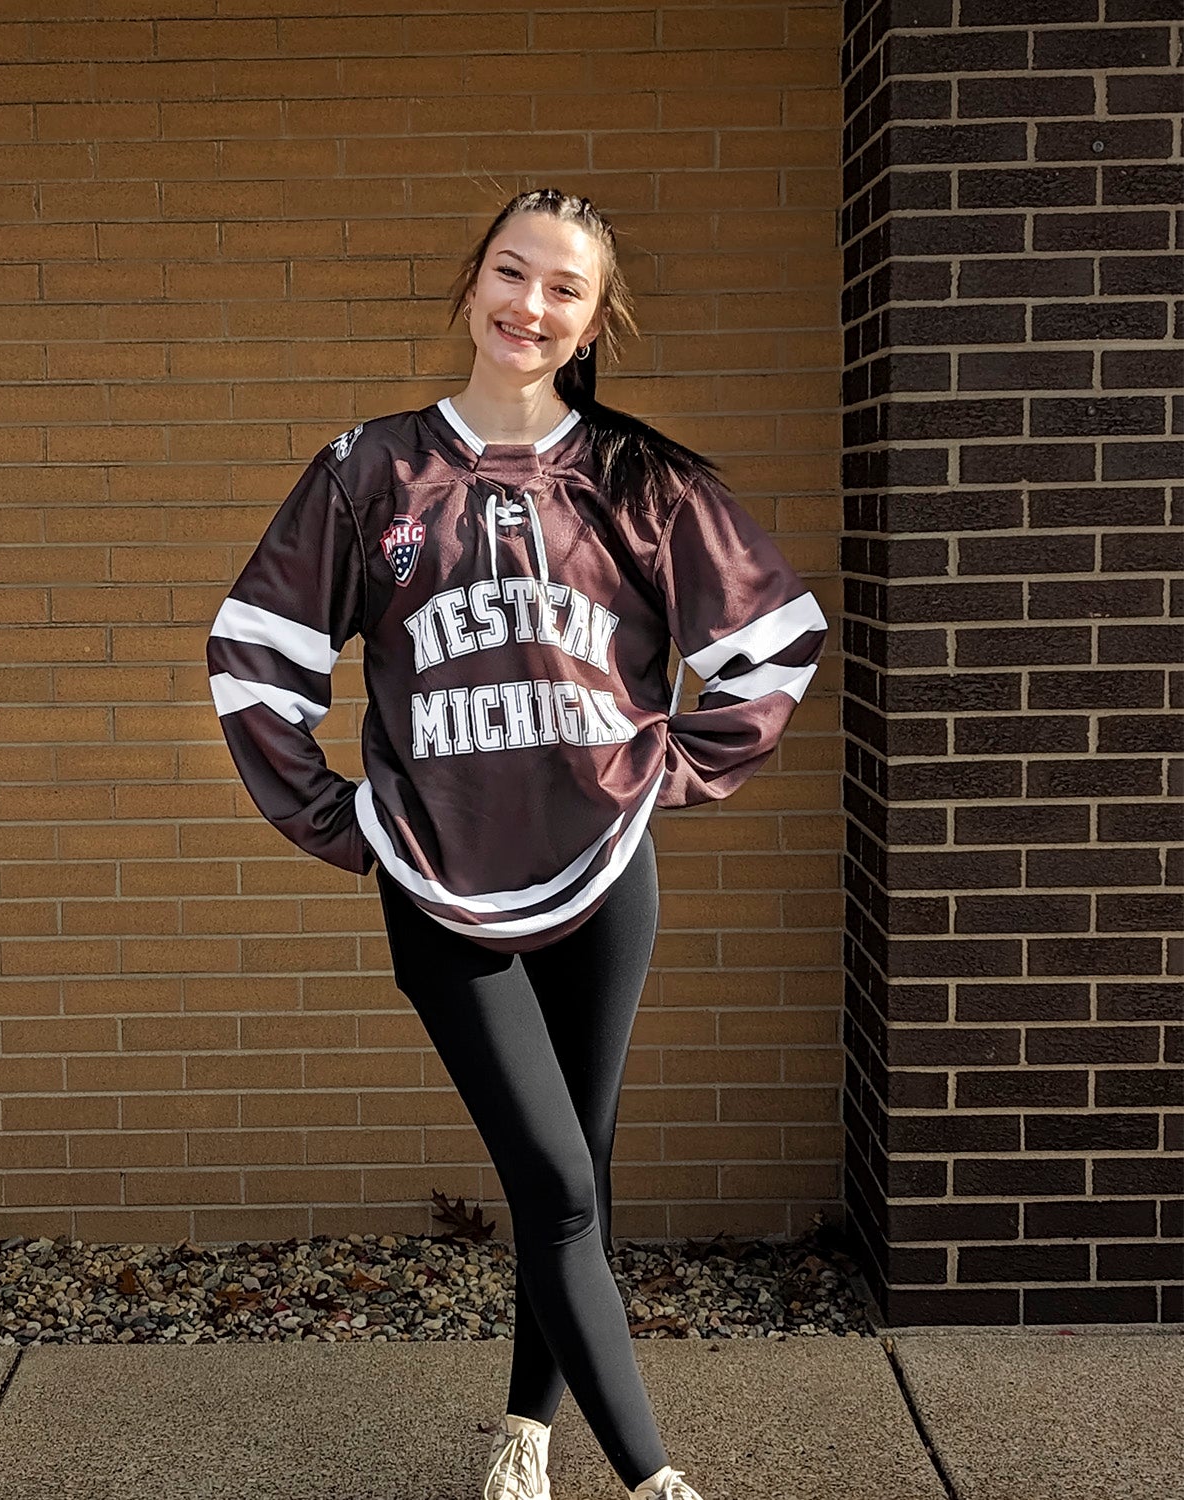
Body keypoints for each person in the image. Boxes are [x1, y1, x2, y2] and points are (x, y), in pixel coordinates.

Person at [207, 188, 828, 1500]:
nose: (528, 307)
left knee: (580, 1178)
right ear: (470, 283)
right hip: (440, 879)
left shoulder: (640, 479)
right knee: (552, 1184)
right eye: (510, 272)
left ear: (598, 318)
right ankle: (660, 1482)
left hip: (607, 872)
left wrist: (675, 767)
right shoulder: (371, 470)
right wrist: (339, 820)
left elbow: (776, 647)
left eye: (563, 290)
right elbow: (257, 656)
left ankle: (526, 1431)